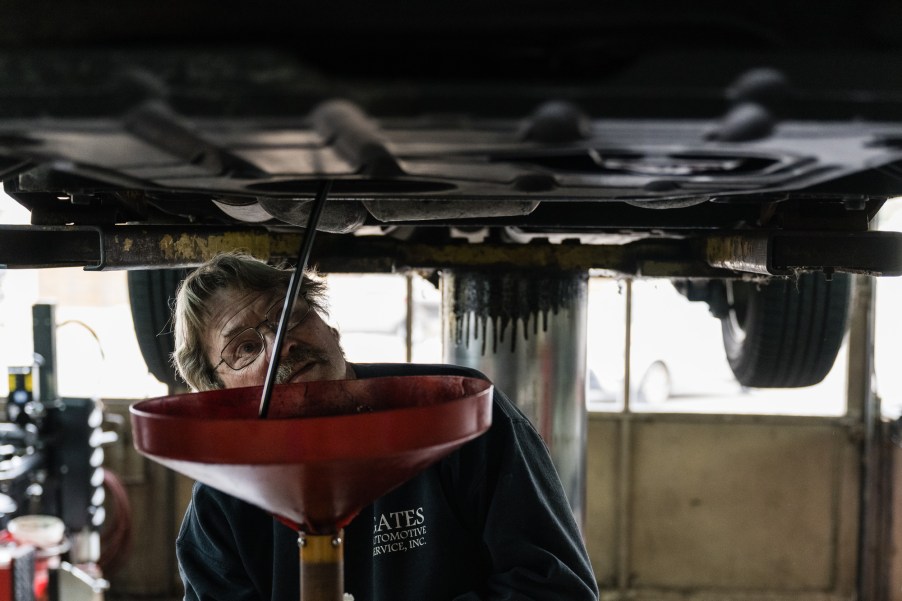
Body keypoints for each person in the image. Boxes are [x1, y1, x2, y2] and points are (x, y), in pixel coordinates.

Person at [171, 251, 599, 601]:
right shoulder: (222, 500)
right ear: (218, 393)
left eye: (290, 317)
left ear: (329, 327)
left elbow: (558, 590)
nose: (282, 346)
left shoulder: (457, 414)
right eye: (244, 348)